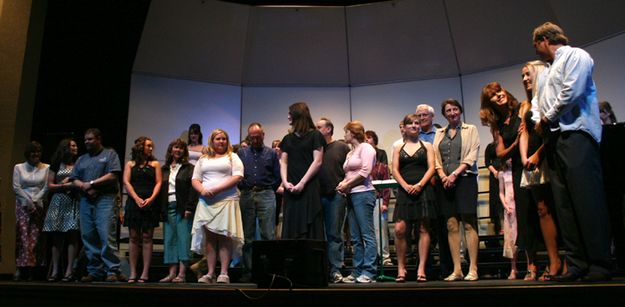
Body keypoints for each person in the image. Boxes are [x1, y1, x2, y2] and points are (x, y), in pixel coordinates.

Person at [531, 22, 611, 282]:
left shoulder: (576, 55)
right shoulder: (545, 71)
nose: (537, 52)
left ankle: (599, 263)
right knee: (564, 205)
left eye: (536, 46)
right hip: (554, 139)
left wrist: (547, 118)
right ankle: (577, 264)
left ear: (544, 39)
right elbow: (537, 102)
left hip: (576, 135)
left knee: (586, 200)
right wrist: (537, 119)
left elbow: (572, 91)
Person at [480, 81, 542, 281]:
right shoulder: (497, 125)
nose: (499, 95)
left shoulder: (522, 109)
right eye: (493, 95)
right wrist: (516, 142)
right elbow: (500, 155)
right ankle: (532, 266)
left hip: (533, 163)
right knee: (524, 219)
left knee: (541, 212)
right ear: (489, 103)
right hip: (515, 171)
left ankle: (552, 262)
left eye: (499, 91)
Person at [518, 60, 563, 280]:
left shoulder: (551, 96)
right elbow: (524, 133)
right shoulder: (526, 105)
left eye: (528, 74)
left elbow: (555, 128)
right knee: (542, 210)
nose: (525, 79)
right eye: (523, 76)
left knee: (559, 208)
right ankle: (553, 261)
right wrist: (525, 156)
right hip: (532, 161)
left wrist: (539, 154)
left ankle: (565, 261)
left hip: (549, 154)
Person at [70, 128, 126, 282]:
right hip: (86, 200)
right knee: (88, 236)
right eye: (85, 139)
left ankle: (112, 270)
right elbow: (74, 178)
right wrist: (84, 186)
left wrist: (92, 184)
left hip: (105, 199)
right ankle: (95, 271)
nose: (87, 142)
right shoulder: (82, 159)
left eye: (90, 139)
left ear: (99, 139)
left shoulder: (109, 154)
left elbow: (113, 175)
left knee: (106, 235)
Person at [433, 99, 480, 281]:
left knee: (468, 223)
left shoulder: (471, 129)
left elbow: (472, 155)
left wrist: (454, 175)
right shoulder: (440, 132)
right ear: (444, 114)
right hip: (445, 182)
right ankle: (457, 269)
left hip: (465, 180)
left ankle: (473, 268)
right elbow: (435, 157)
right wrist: (443, 175)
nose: (452, 113)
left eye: (454, 109)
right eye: (448, 110)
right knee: (451, 224)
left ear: (460, 111)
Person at [191, 129, 244, 284]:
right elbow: (195, 179)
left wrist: (216, 189)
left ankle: (224, 273)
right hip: (207, 203)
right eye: (218, 139)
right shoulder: (203, 159)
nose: (221, 141)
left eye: (224, 139)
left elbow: (237, 176)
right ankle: (210, 273)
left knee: (225, 237)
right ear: (212, 141)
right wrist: (203, 190)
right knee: (210, 239)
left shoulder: (232, 157)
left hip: (226, 200)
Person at [392, 114, 436, 283]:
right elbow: (394, 170)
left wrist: (420, 184)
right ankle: (401, 268)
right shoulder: (398, 147)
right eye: (410, 123)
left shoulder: (427, 146)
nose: (414, 126)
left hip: (423, 190)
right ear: (404, 126)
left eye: (417, 123)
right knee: (400, 229)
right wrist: (405, 186)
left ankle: (421, 268)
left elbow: (432, 167)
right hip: (405, 190)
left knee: (424, 229)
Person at [237, 122, 281, 282]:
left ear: (263, 135)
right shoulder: (241, 153)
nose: (255, 140)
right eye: (252, 137)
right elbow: (237, 173)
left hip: (266, 193)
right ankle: (248, 271)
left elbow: (277, 176)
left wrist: (269, 188)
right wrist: (243, 186)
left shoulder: (271, 153)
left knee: (268, 234)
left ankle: (268, 272)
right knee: (247, 236)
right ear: (249, 137)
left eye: (257, 137)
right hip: (247, 194)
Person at [337, 120, 377, 283]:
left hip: (364, 194)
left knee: (367, 235)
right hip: (352, 195)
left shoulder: (366, 148)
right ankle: (357, 269)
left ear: (353, 133)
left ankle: (369, 271)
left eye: (346, 132)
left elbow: (365, 172)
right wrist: (343, 184)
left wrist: (347, 185)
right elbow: (349, 174)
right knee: (354, 236)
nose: (344, 135)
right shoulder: (350, 152)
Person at [279, 102, 325, 239]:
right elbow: (284, 162)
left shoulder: (315, 135)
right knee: (291, 226)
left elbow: (317, 161)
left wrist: (302, 183)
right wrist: (285, 182)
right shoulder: (287, 139)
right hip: (291, 188)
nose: (288, 117)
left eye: (290, 114)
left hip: (308, 187)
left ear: (297, 115)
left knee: (311, 228)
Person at [158, 139, 198, 283]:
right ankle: (171, 274)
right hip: (167, 207)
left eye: (181, 148)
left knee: (183, 239)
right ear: (171, 150)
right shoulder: (164, 169)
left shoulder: (189, 168)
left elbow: (193, 191)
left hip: (182, 208)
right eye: (176, 147)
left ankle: (182, 274)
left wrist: (189, 207)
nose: (178, 150)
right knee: (169, 240)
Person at [123, 137, 162, 283]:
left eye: (152, 146)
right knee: (133, 237)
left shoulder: (155, 164)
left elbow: (158, 183)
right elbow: (126, 182)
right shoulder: (130, 164)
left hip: (149, 202)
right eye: (148, 146)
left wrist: (151, 199)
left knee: (147, 237)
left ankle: (145, 272)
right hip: (134, 202)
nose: (151, 148)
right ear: (140, 147)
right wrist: (136, 198)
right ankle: (133, 272)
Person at [317, 117, 350, 283]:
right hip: (317, 196)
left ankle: (335, 269)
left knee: (334, 234)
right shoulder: (315, 148)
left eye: (319, 127)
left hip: (336, 196)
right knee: (318, 235)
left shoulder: (342, 147)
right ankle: (321, 269)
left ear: (328, 129)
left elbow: (350, 169)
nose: (316, 129)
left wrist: (345, 186)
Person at [42, 138, 80, 282]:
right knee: (57, 236)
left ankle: (69, 270)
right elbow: (50, 185)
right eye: (72, 145)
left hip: (73, 201)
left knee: (72, 234)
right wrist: (64, 186)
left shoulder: (79, 164)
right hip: (58, 201)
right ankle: (56, 269)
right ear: (65, 148)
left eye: (76, 145)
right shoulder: (57, 164)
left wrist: (71, 182)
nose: (75, 147)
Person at [13, 141, 49, 281]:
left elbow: (46, 187)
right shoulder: (19, 167)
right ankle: (21, 268)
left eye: (38, 152)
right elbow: (16, 187)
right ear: (28, 154)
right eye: (33, 152)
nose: (36, 155)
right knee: (23, 237)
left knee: (37, 239)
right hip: (23, 206)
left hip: (39, 206)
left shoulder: (46, 167)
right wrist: (28, 202)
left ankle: (35, 269)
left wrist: (35, 201)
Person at [365, 130, 393, 267]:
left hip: (379, 200)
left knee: (380, 230)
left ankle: (385, 258)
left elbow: (387, 186)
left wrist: (385, 203)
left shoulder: (382, 167)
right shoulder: (362, 167)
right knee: (367, 232)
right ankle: (371, 259)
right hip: (365, 201)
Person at [498, 159, 518, 279]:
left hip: (518, 204)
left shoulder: (516, 171)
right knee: (511, 238)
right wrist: (505, 205)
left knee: (519, 235)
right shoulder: (502, 173)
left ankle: (529, 266)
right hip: (509, 207)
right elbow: (501, 192)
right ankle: (513, 268)